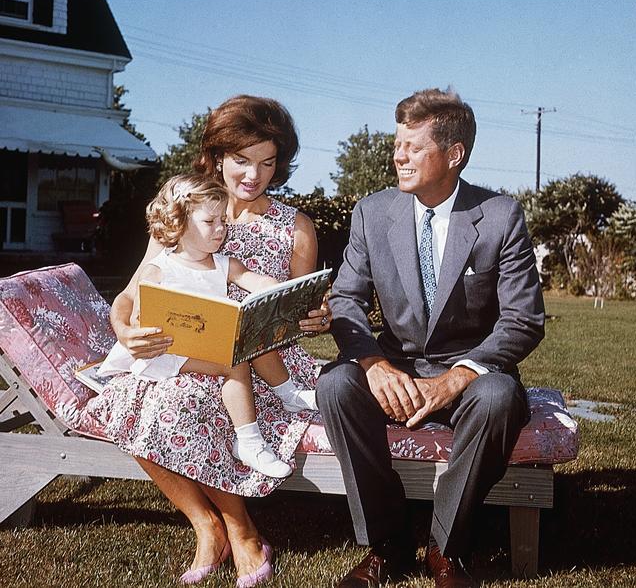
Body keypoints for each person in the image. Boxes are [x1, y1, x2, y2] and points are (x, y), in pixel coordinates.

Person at [91, 96, 330, 587]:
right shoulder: (185, 212)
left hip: (267, 363)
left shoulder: (296, 227)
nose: (253, 175)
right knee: (130, 395)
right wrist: (125, 331)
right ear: (217, 156)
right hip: (187, 352)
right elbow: (130, 296)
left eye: (267, 163)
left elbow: (298, 303)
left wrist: (315, 316)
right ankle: (207, 525)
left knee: (187, 399)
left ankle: (241, 532)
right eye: (241, 160)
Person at [316, 87, 545, 588]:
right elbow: (347, 301)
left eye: (413, 147)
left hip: (470, 373)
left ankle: (446, 550)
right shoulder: (371, 213)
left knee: (499, 395)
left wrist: (459, 376)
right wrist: (373, 364)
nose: (398, 156)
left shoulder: (500, 216)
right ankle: (386, 544)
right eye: (397, 144)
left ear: (454, 154)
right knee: (335, 383)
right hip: (396, 366)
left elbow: (524, 319)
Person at [92, 173, 318, 480]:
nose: (221, 229)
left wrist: (286, 293)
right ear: (180, 223)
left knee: (251, 340)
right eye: (210, 222)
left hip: (203, 344)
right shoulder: (160, 269)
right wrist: (146, 326)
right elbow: (138, 319)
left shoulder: (223, 263)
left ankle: (289, 394)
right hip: (166, 352)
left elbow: (257, 281)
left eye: (222, 221)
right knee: (234, 362)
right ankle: (249, 442)